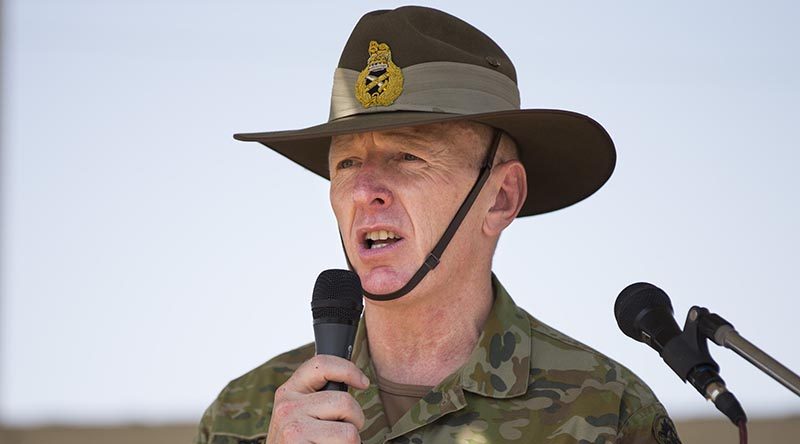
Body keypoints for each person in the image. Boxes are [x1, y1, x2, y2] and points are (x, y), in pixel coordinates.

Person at [195, 6, 681, 444]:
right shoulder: (245, 417)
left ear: (501, 197)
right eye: (345, 164)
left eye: (408, 156)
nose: (365, 191)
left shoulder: (608, 413)